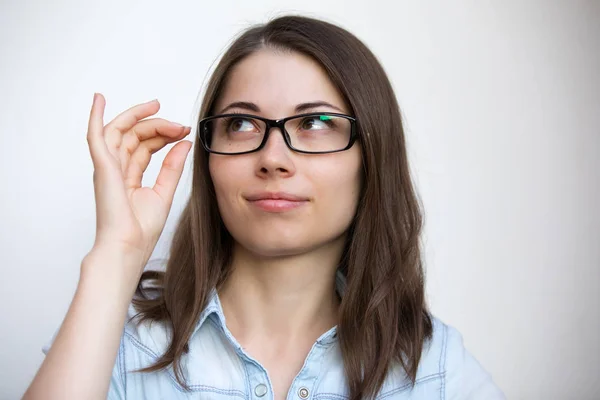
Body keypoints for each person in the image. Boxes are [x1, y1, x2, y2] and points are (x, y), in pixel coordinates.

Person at [23, 15, 505, 400]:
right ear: (209, 159)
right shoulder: (122, 345)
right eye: (241, 125)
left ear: (372, 157)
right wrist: (116, 255)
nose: (273, 158)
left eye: (316, 122)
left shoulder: (434, 368)